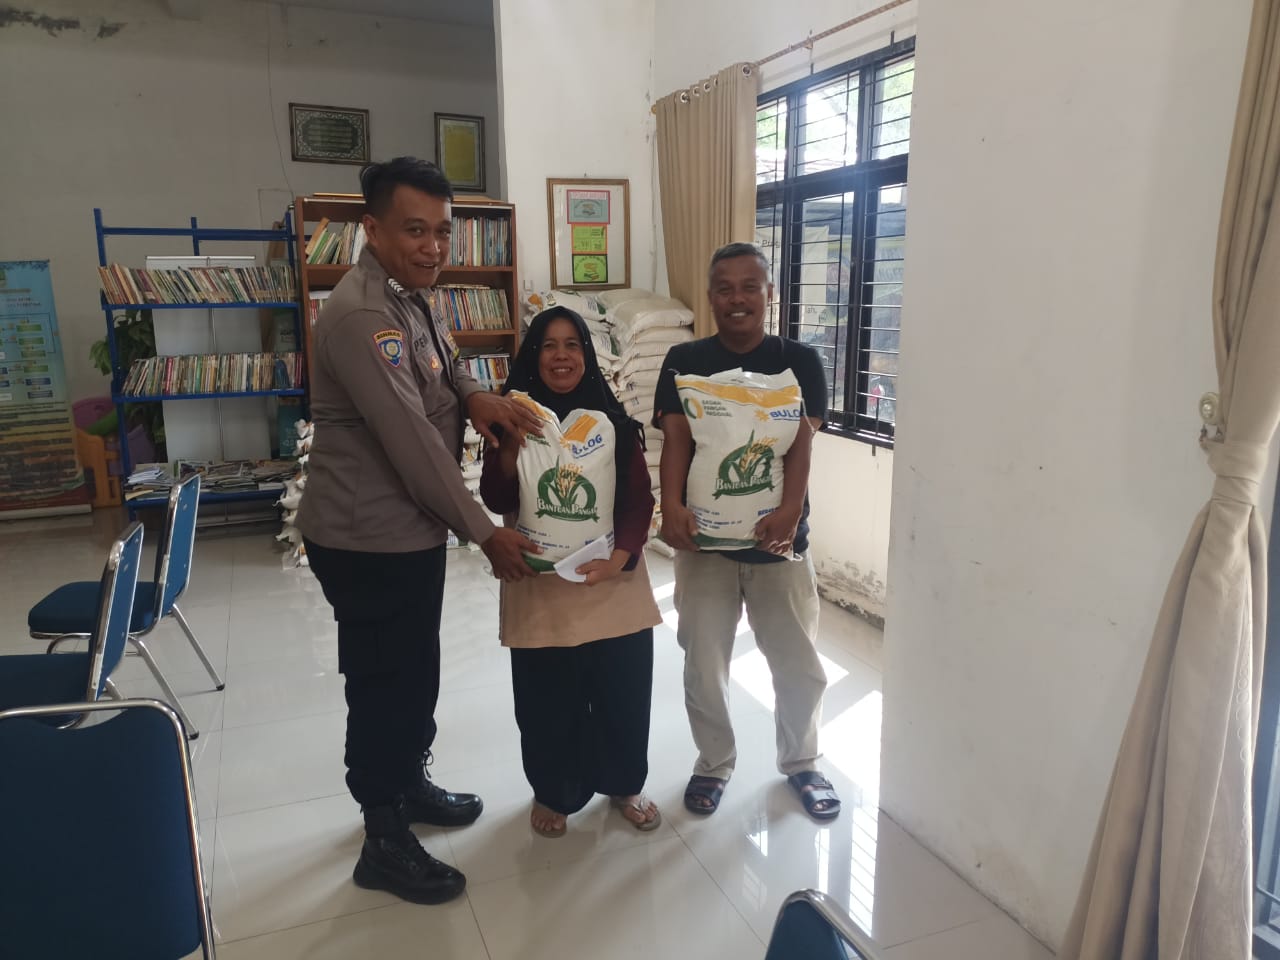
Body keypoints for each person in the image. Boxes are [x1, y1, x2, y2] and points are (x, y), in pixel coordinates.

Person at [297, 157, 544, 905]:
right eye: (415, 231)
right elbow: (411, 443)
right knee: (383, 684)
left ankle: (408, 782)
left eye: (442, 231)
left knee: (414, 672)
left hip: (408, 531)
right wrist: (485, 532)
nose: (434, 247)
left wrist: (476, 397)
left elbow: (447, 364)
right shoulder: (362, 315)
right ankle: (382, 832)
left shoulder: (414, 296)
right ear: (371, 230)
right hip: (366, 536)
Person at [653, 241, 841, 821]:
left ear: (769, 294)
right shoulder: (684, 359)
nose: (738, 298)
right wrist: (670, 505)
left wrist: (791, 511)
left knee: (797, 662)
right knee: (704, 662)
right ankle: (714, 764)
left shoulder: (799, 361)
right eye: (725, 288)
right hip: (704, 545)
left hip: (778, 543)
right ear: (710, 297)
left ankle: (803, 762)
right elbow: (676, 441)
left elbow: (802, 446)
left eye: (749, 287)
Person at [479, 306, 663, 838]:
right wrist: (510, 449)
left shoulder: (612, 420)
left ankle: (625, 784)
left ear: (586, 355)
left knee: (622, 693)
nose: (561, 356)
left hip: (613, 581)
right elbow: (497, 498)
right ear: (533, 357)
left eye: (572, 345)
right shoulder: (514, 418)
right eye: (549, 346)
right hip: (540, 584)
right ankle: (555, 791)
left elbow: (638, 499)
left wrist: (621, 559)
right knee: (547, 701)